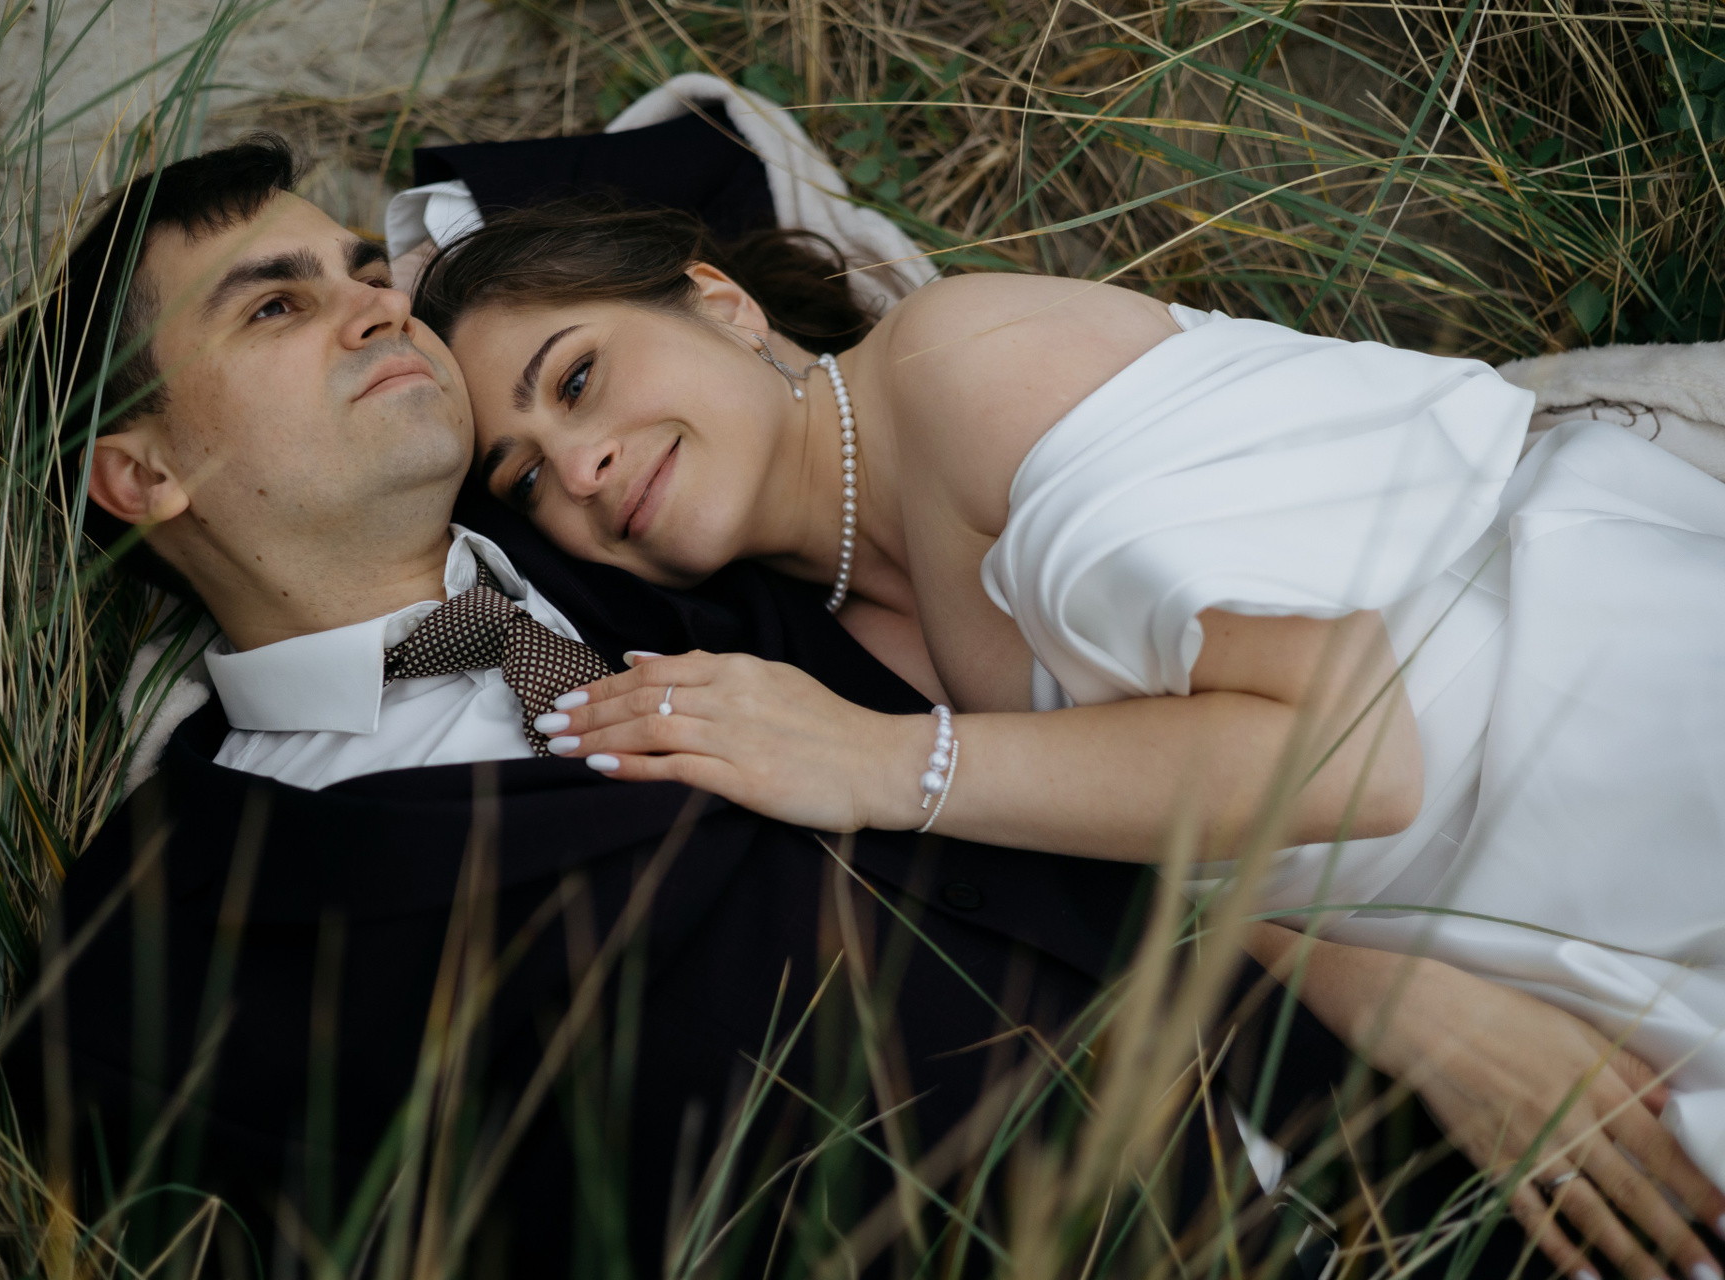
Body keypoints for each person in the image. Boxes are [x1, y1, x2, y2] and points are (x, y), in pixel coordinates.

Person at [415, 200, 1725, 1280]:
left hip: (1589, 731)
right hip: (1476, 923)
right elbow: (1123, 847)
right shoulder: (824, 638)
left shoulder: (960, 368)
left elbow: (1352, 754)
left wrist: (882, 766)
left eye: (577, 379)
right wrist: (1379, 992)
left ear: (721, 304)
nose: (577, 468)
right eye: (526, 476)